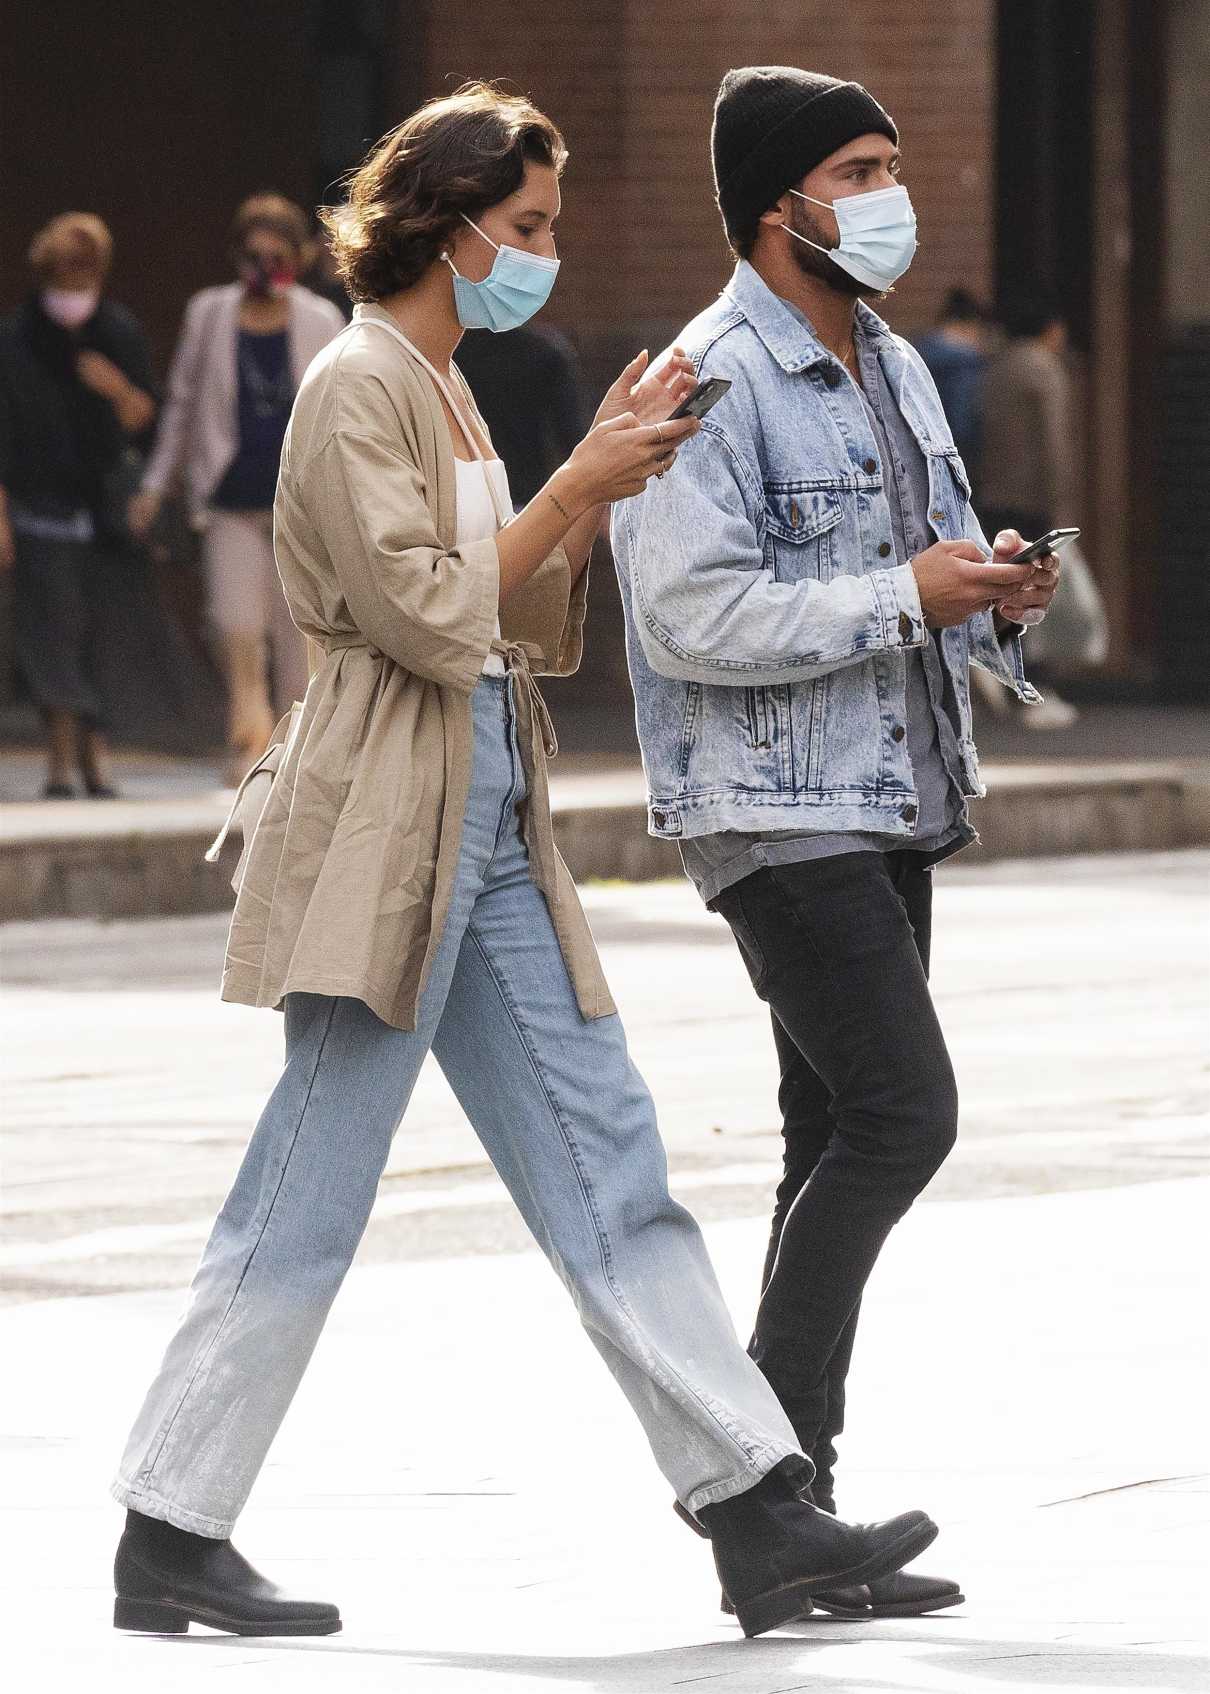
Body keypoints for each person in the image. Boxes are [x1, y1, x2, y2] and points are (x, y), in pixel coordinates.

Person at [109, 82, 938, 1644]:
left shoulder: (444, 381)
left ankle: (759, 1509)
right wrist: (574, 488)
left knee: (609, 1165)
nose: (542, 255)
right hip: (389, 817)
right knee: (308, 1184)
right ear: (449, 216)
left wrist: (593, 488)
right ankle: (168, 1520)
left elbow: (514, 621)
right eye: (533, 227)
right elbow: (426, 610)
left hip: (485, 817)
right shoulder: (362, 380)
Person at [613, 65, 1061, 1621]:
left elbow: (914, 567)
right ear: (777, 204)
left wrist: (988, 600)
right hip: (768, 808)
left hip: (886, 798)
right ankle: (748, 1480)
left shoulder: (885, 358)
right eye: (858, 169)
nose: (886, 194)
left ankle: (787, 1518)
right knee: (901, 1113)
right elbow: (686, 614)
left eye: (886, 166)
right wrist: (899, 598)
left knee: (829, 1135)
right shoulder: (701, 376)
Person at [129, 195, 345, 781]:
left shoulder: (322, 319)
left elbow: (340, 413)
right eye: (253, 256)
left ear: (299, 259)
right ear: (235, 256)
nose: (264, 268)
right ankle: (249, 738)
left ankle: (291, 752)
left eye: (278, 256)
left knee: (298, 636)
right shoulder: (210, 312)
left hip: (299, 507)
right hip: (230, 496)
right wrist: (156, 485)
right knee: (235, 624)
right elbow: (183, 404)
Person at [0, 213, 157, 798]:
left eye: (87, 268)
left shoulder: (118, 332)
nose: (77, 279)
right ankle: (61, 761)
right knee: (50, 632)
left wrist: (114, 388)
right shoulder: (16, 339)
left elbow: (147, 419)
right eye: (68, 268)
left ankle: (97, 757)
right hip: (39, 510)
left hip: (106, 515)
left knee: (103, 635)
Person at [980, 286, 1085, 727]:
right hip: (1032, 498)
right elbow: (1055, 444)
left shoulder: (997, 368)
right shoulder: (1044, 368)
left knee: (1001, 590)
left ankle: (996, 677)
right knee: (1035, 596)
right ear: (1052, 330)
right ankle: (1033, 692)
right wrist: (1063, 507)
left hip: (993, 494)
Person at [455, 321, 588, 505]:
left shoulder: (450, 357)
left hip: (465, 499)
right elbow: (573, 440)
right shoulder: (544, 351)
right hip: (529, 501)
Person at [914, 286, 988, 482]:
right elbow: (962, 421)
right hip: (953, 456)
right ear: (969, 325)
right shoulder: (965, 365)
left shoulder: (914, 355)